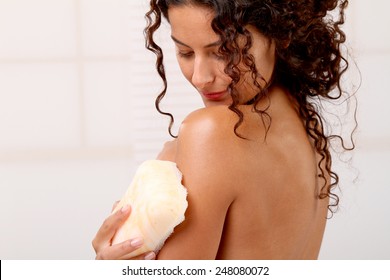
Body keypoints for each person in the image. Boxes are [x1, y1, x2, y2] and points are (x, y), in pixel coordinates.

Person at [92, 0, 355, 260]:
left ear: (280, 34)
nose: (200, 77)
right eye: (185, 53)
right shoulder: (307, 128)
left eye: (222, 51)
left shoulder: (210, 133)